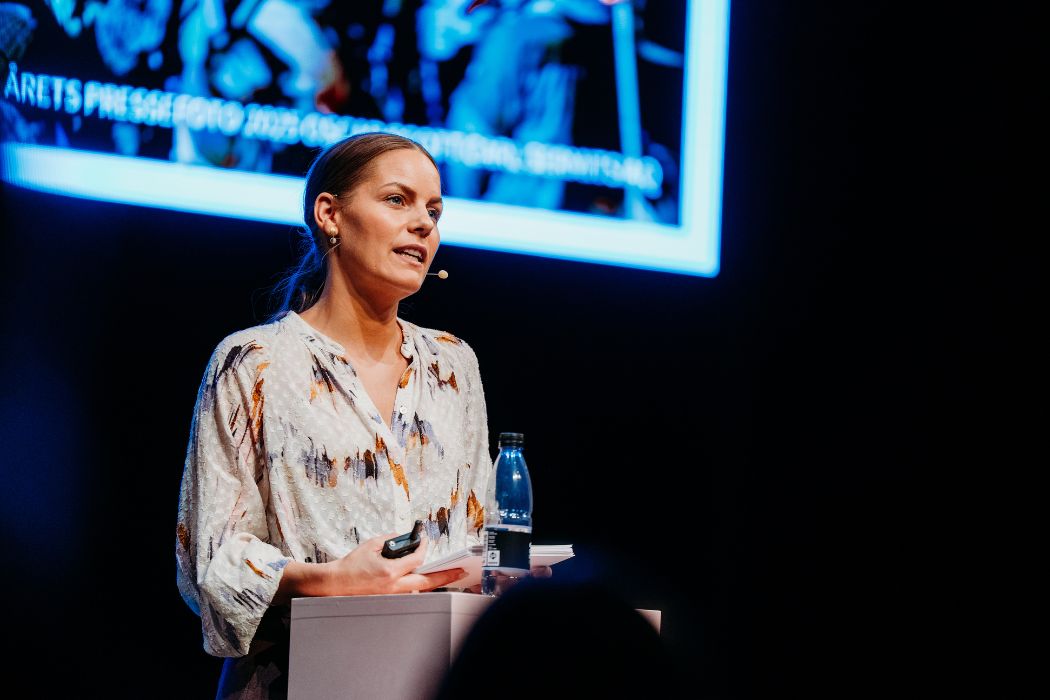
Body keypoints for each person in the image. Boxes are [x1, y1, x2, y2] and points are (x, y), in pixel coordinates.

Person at [175, 132, 490, 699]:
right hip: (295, 679)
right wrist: (335, 582)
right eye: (399, 200)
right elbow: (213, 560)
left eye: (435, 210)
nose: (424, 223)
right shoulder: (254, 363)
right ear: (330, 214)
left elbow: (477, 530)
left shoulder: (454, 365)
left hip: (428, 678)